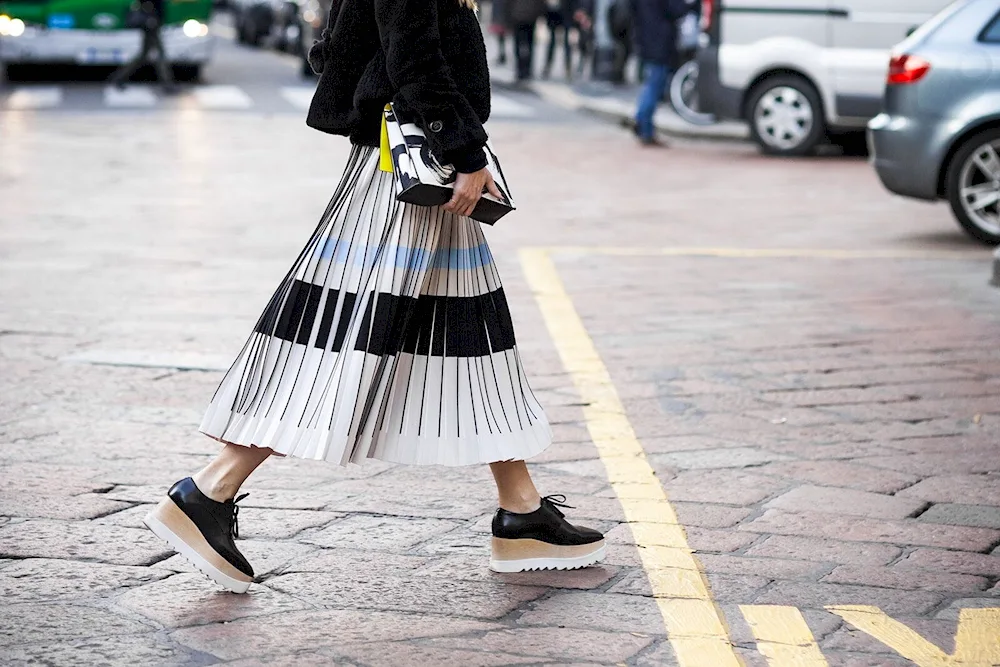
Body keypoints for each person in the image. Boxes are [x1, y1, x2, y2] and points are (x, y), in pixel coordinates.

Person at [142, 0, 606, 594]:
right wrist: (463, 151)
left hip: (412, 170)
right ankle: (209, 490)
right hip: (409, 173)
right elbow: (412, 55)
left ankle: (521, 509)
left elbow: (336, 48)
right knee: (342, 343)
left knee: (472, 340)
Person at [632, 0, 688, 145]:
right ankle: (644, 126)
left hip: (645, 38)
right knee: (654, 85)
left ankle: (641, 121)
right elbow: (676, 10)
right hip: (661, 42)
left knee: (651, 83)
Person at [109, 0, 176, 92]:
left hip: (153, 21)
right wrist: (152, 16)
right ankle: (167, 84)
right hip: (151, 21)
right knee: (160, 55)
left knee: (144, 55)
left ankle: (119, 77)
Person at [508, 0, 546, 81]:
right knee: (529, 44)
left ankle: (520, 68)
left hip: (517, 16)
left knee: (518, 43)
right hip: (530, 17)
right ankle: (526, 69)